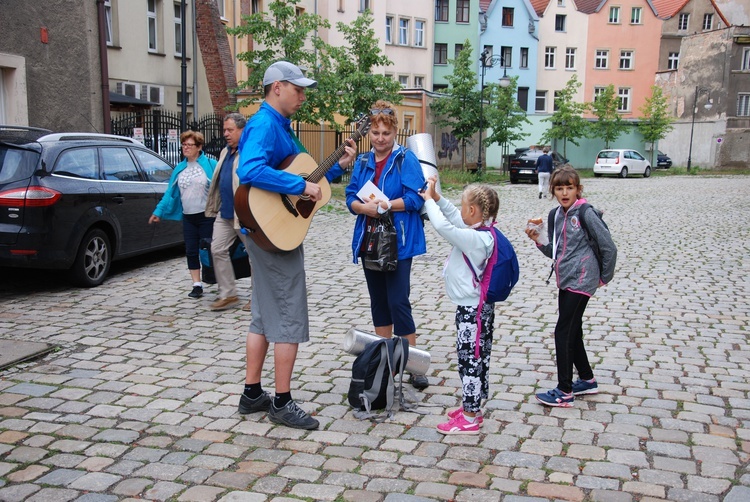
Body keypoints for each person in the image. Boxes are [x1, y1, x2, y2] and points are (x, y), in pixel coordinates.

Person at [235, 61, 348, 430]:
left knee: (263, 316)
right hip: (273, 233)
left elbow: (308, 171)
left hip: (267, 229)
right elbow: (249, 170)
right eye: (297, 89)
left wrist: (338, 164)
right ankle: (281, 402)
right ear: (277, 87)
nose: (302, 96)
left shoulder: (281, 126)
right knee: (288, 315)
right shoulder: (266, 124)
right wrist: (299, 187)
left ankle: (252, 393)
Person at [344, 100, 429, 390]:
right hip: (370, 238)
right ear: (370, 133)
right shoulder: (364, 161)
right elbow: (349, 196)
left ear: (395, 133)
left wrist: (387, 205)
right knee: (379, 301)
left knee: (398, 301)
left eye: (386, 134)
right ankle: (385, 360)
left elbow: (417, 198)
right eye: (376, 133)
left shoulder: (406, 160)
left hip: (398, 240)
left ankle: (413, 363)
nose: (380, 139)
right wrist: (361, 208)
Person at [525, 166, 617, 407]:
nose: (565, 192)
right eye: (560, 188)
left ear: (578, 189)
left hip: (584, 278)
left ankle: (564, 391)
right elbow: (554, 251)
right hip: (565, 277)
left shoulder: (586, 214)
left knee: (563, 331)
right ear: (553, 190)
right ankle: (587, 379)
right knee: (573, 330)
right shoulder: (555, 215)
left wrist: (602, 277)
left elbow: (609, 247)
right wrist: (537, 238)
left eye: (570, 187)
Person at [420, 177, 498, 434]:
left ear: (473, 211)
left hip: (471, 311)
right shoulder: (480, 232)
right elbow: (454, 217)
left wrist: (429, 202)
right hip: (474, 308)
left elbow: (444, 227)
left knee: (470, 361)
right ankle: (472, 407)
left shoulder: (476, 240)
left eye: (464, 206)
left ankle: (469, 417)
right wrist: (439, 199)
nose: (461, 210)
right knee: (476, 358)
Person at [149, 131, 216, 298]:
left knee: (207, 249)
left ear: (199, 147)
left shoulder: (210, 164)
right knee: (191, 250)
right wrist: (158, 211)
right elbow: (169, 193)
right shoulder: (180, 168)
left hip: (207, 215)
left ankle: (214, 277)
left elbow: (222, 187)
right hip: (188, 216)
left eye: (189, 145)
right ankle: (196, 284)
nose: (185, 148)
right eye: (184, 145)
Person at [205, 113, 252, 312]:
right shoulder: (225, 152)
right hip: (225, 213)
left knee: (254, 256)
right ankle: (228, 294)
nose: (225, 134)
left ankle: (258, 298)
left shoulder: (249, 152)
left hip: (245, 214)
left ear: (242, 130)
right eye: (224, 130)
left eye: (230, 130)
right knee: (217, 249)